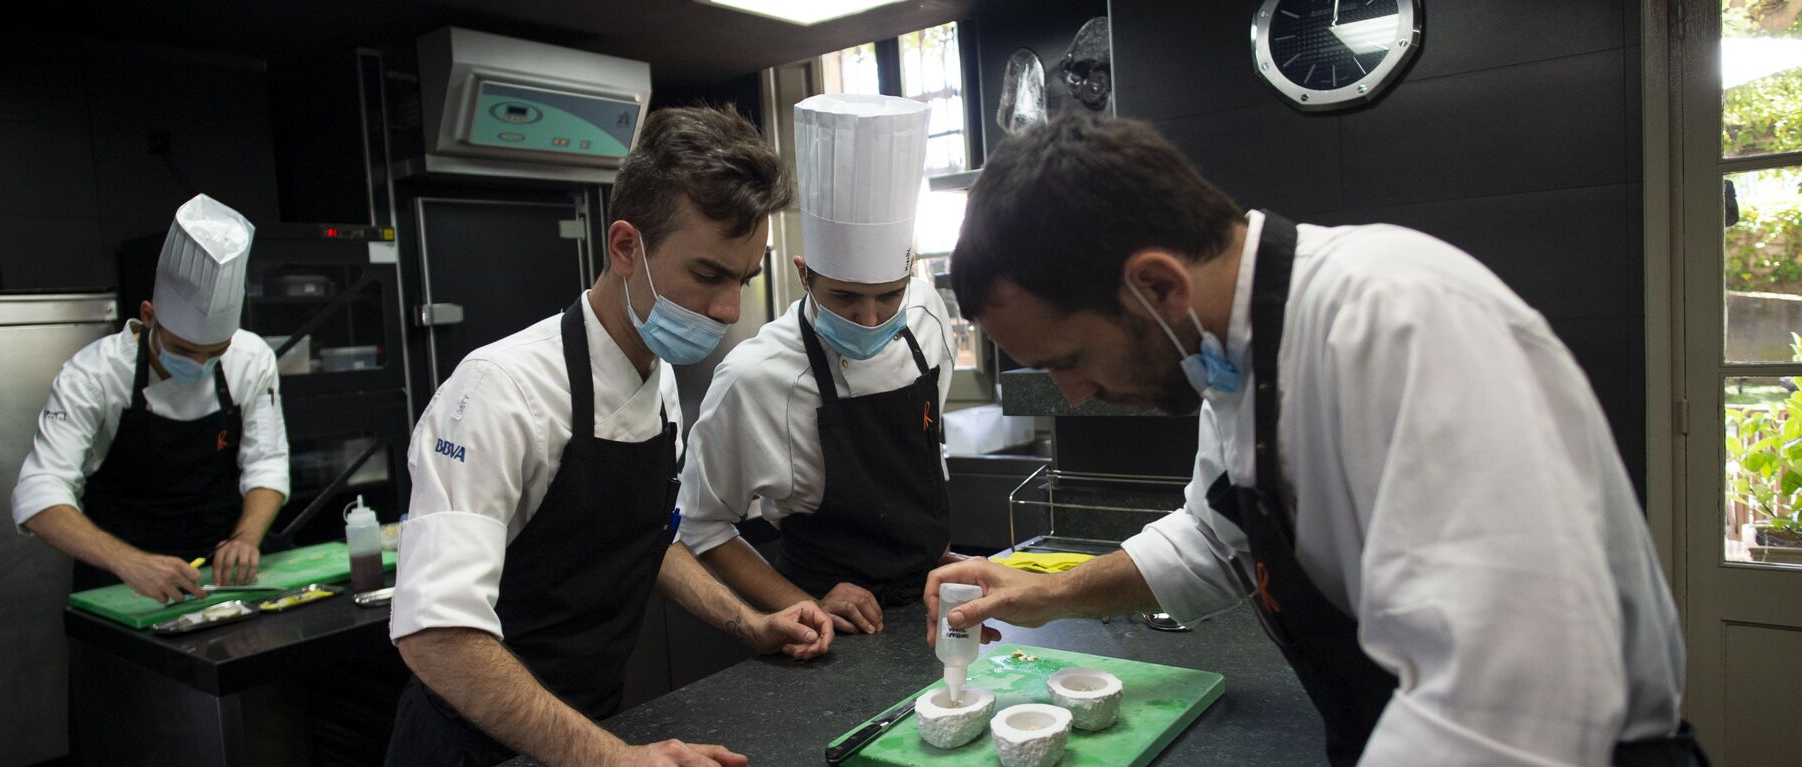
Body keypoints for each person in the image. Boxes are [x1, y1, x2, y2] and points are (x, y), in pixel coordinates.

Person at [925, 113, 1705, 766]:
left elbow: (1510, 685)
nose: (1073, 392)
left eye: (1069, 358)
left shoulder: (1397, 317)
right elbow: (1216, 535)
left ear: (1158, 286)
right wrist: (1045, 589)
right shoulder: (1229, 356)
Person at [385, 105, 833, 767]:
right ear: (626, 247)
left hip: (583, 731)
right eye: (709, 275)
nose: (728, 310)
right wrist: (613, 757)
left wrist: (749, 622)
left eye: (744, 280)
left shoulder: (654, 379)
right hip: (472, 748)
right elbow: (437, 635)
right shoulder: (501, 391)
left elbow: (647, 538)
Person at [678, 94, 958, 636]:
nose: (871, 318)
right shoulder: (754, 377)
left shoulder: (928, 314)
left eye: (889, 296)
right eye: (846, 297)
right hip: (826, 629)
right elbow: (701, 524)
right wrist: (802, 600)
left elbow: (924, 452)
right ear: (805, 276)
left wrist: (933, 555)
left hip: (927, 606)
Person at [14, 193, 288, 601]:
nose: (200, 364)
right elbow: (38, 494)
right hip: (122, 578)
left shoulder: (251, 357)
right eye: (184, 349)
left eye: (215, 352)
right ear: (148, 316)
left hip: (219, 575)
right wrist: (130, 562)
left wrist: (246, 539)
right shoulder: (93, 375)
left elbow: (266, 462)